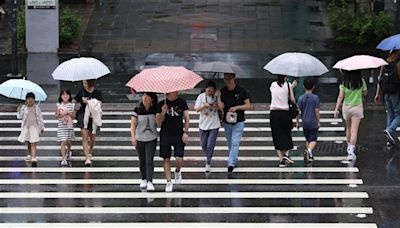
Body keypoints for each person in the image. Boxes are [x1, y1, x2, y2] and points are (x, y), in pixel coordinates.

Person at [217, 73, 251, 172]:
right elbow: (221, 107)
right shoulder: (223, 91)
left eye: (229, 78)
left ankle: (231, 163)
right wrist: (218, 97)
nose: (227, 81)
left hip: (239, 121)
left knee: (235, 142)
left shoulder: (241, 90)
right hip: (227, 121)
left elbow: (248, 105)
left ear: (234, 78)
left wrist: (236, 108)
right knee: (230, 143)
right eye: (225, 79)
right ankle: (234, 160)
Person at [156, 91, 189, 192]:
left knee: (179, 158)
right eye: (175, 91)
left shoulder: (182, 102)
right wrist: (163, 112)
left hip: (178, 133)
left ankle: (177, 171)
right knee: (166, 158)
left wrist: (186, 132)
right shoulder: (161, 104)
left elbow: (187, 118)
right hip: (165, 134)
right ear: (169, 92)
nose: (177, 92)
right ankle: (169, 181)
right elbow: (157, 122)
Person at [334, 70, 367, 161]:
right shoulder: (361, 81)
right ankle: (351, 151)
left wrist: (336, 109)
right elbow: (365, 93)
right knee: (354, 130)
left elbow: (341, 96)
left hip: (347, 107)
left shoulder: (344, 82)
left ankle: (349, 147)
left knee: (348, 128)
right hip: (357, 107)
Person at [131, 92, 158, 192]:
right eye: (144, 96)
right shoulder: (137, 110)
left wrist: (162, 112)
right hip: (140, 139)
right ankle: (143, 178)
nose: (145, 98)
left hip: (152, 138)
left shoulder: (155, 109)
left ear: (152, 99)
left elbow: (158, 123)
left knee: (149, 160)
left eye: (147, 96)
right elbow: (133, 125)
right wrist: (133, 137)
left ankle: (150, 181)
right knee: (142, 160)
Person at [73, 79, 102, 167]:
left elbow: (100, 104)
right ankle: (87, 158)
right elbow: (74, 101)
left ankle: (90, 152)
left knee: (92, 136)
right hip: (83, 115)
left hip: (93, 116)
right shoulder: (81, 92)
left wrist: (89, 102)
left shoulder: (97, 92)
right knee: (84, 135)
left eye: (85, 83)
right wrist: (73, 108)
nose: (84, 84)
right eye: (83, 83)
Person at [375, 51, 400, 148]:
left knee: (390, 114)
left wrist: (378, 93)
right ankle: (390, 130)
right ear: (397, 53)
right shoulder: (398, 64)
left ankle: (389, 139)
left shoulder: (384, 63)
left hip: (386, 92)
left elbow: (380, 79)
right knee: (398, 114)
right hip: (395, 93)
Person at [269, 75, 296, 167]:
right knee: (286, 133)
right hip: (285, 112)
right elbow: (292, 100)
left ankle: (281, 160)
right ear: (285, 77)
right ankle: (286, 155)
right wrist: (292, 88)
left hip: (274, 113)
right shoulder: (288, 85)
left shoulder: (272, 85)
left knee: (276, 135)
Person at [194, 81, 221, 172]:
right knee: (203, 144)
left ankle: (208, 162)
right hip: (203, 124)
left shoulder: (216, 97)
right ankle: (208, 156)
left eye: (211, 91)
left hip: (214, 124)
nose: (210, 92)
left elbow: (220, 108)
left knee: (210, 145)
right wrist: (204, 106)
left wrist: (217, 99)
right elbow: (196, 109)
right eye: (208, 90)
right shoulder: (201, 97)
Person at [296, 78, 320, 162]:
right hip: (313, 121)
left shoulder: (301, 98)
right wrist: (318, 121)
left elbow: (298, 111)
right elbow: (316, 111)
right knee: (313, 139)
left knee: (307, 139)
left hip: (305, 122)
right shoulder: (315, 98)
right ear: (313, 87)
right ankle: (309, 151)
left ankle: (309, 155)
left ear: (303, 87)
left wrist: (297, 122)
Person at [17, 92, 44, 167]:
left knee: (33, 142)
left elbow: (40, 118)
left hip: (34, 127)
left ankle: (34, 157)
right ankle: (29, 154)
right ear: (26, 100)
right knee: (28, 141)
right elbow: (20, 117)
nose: (30, 100)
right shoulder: (24, 107)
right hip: (26, 127)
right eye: (28, 99)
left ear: (34, 100)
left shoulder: (36, 108)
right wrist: (19, 111)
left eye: (32, 99)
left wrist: (41, 127)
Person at [55, 89, 76, 166]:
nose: (65, 96)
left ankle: (69, 151)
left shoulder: (71, 105)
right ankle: (63, 158)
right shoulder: (58, 105)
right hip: (62, 126)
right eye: (63, 94)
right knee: (63, 141)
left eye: (67, 94)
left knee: (68, 141)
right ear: (61, 96)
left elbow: (74, 116)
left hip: (69, 126)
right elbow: (56, 115)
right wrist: (62, 114)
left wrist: (68, 113)